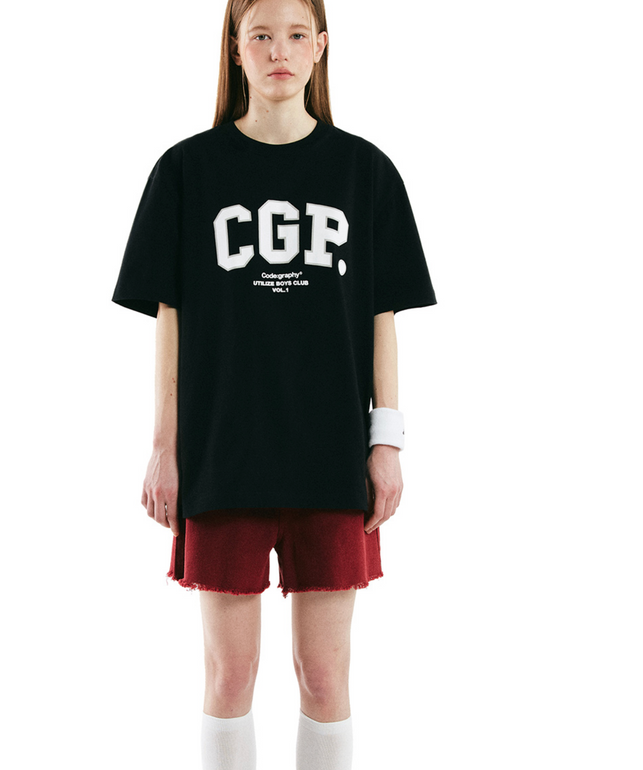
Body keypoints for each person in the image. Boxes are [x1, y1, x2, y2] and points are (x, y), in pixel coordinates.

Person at [111, 0, 436, 767]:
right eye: (260, 35)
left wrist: (387, 442)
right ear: (236, 49)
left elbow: (384, 318)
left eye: (295, 35)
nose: (278, 51)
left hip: (332, 455)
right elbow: (169, 321)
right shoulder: (186, 171)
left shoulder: (365, 172)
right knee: (230, 675)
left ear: (321, 48)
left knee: (325, 676)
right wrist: (164, 447)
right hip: (225, 454)